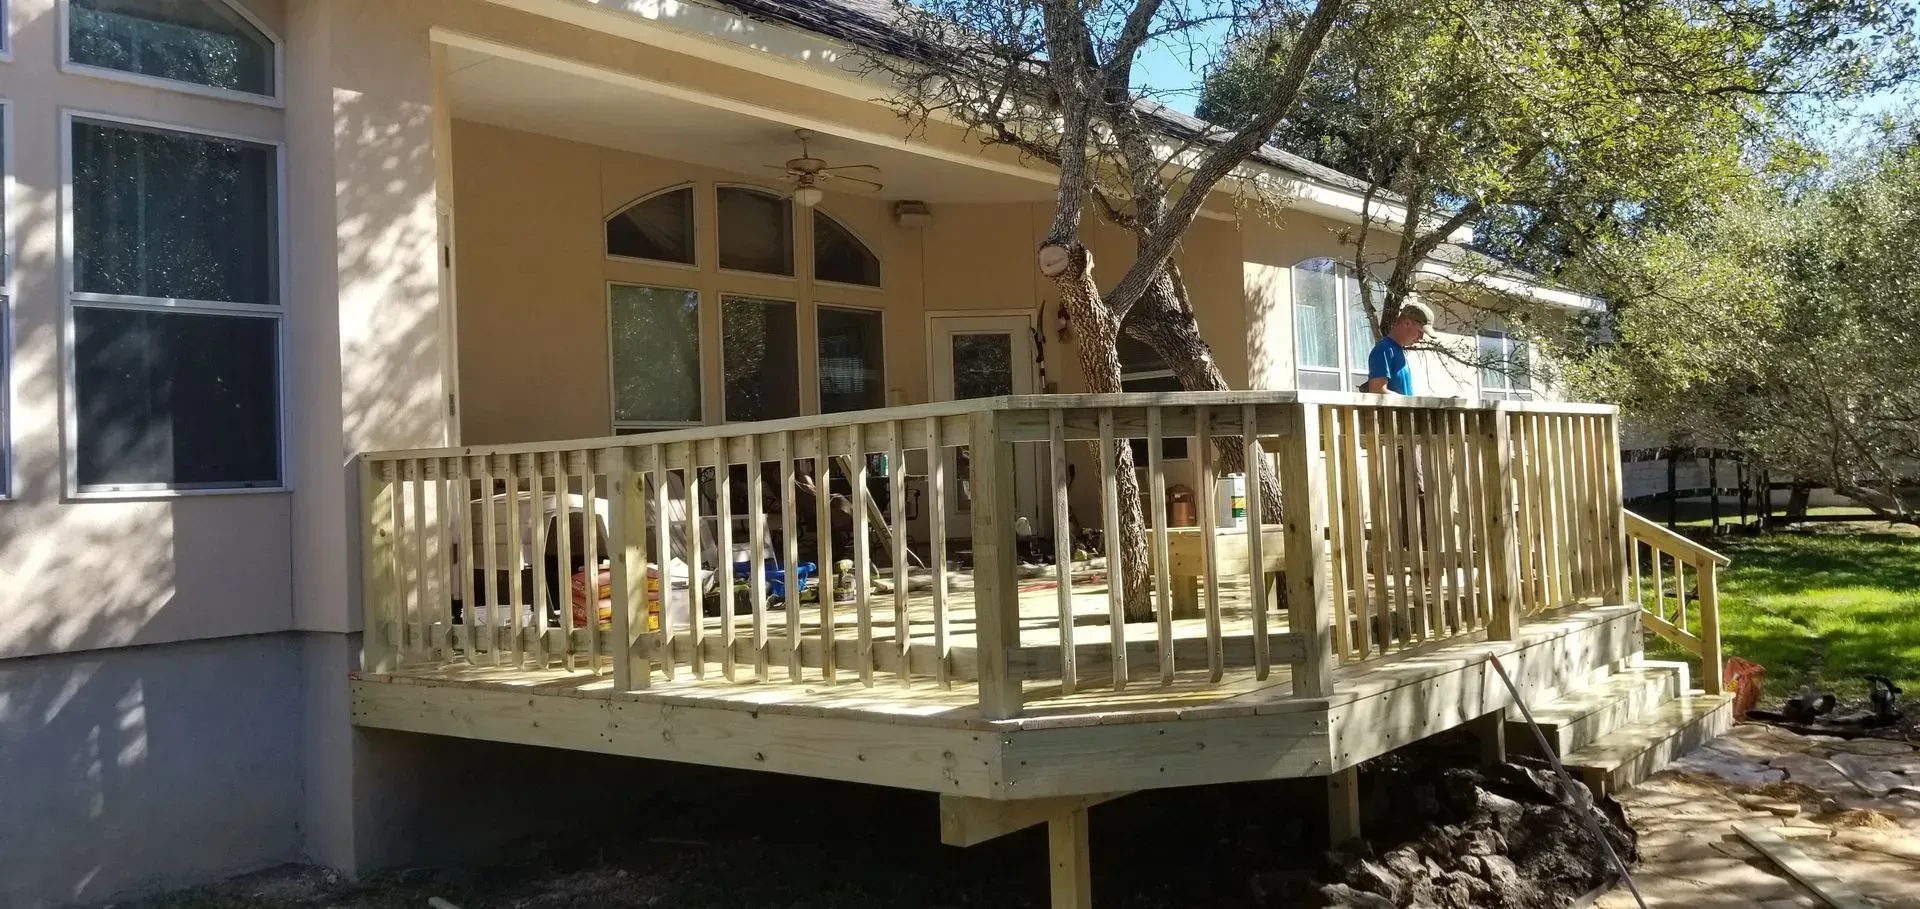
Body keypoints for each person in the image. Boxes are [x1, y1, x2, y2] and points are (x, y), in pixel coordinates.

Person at [1364, 300, 1432, 395]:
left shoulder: (1398, 351)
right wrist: (1409, 401)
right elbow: (1378, 391)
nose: (1421, 338)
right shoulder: (1384, 350)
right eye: (1420, 332)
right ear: (1407, 323)